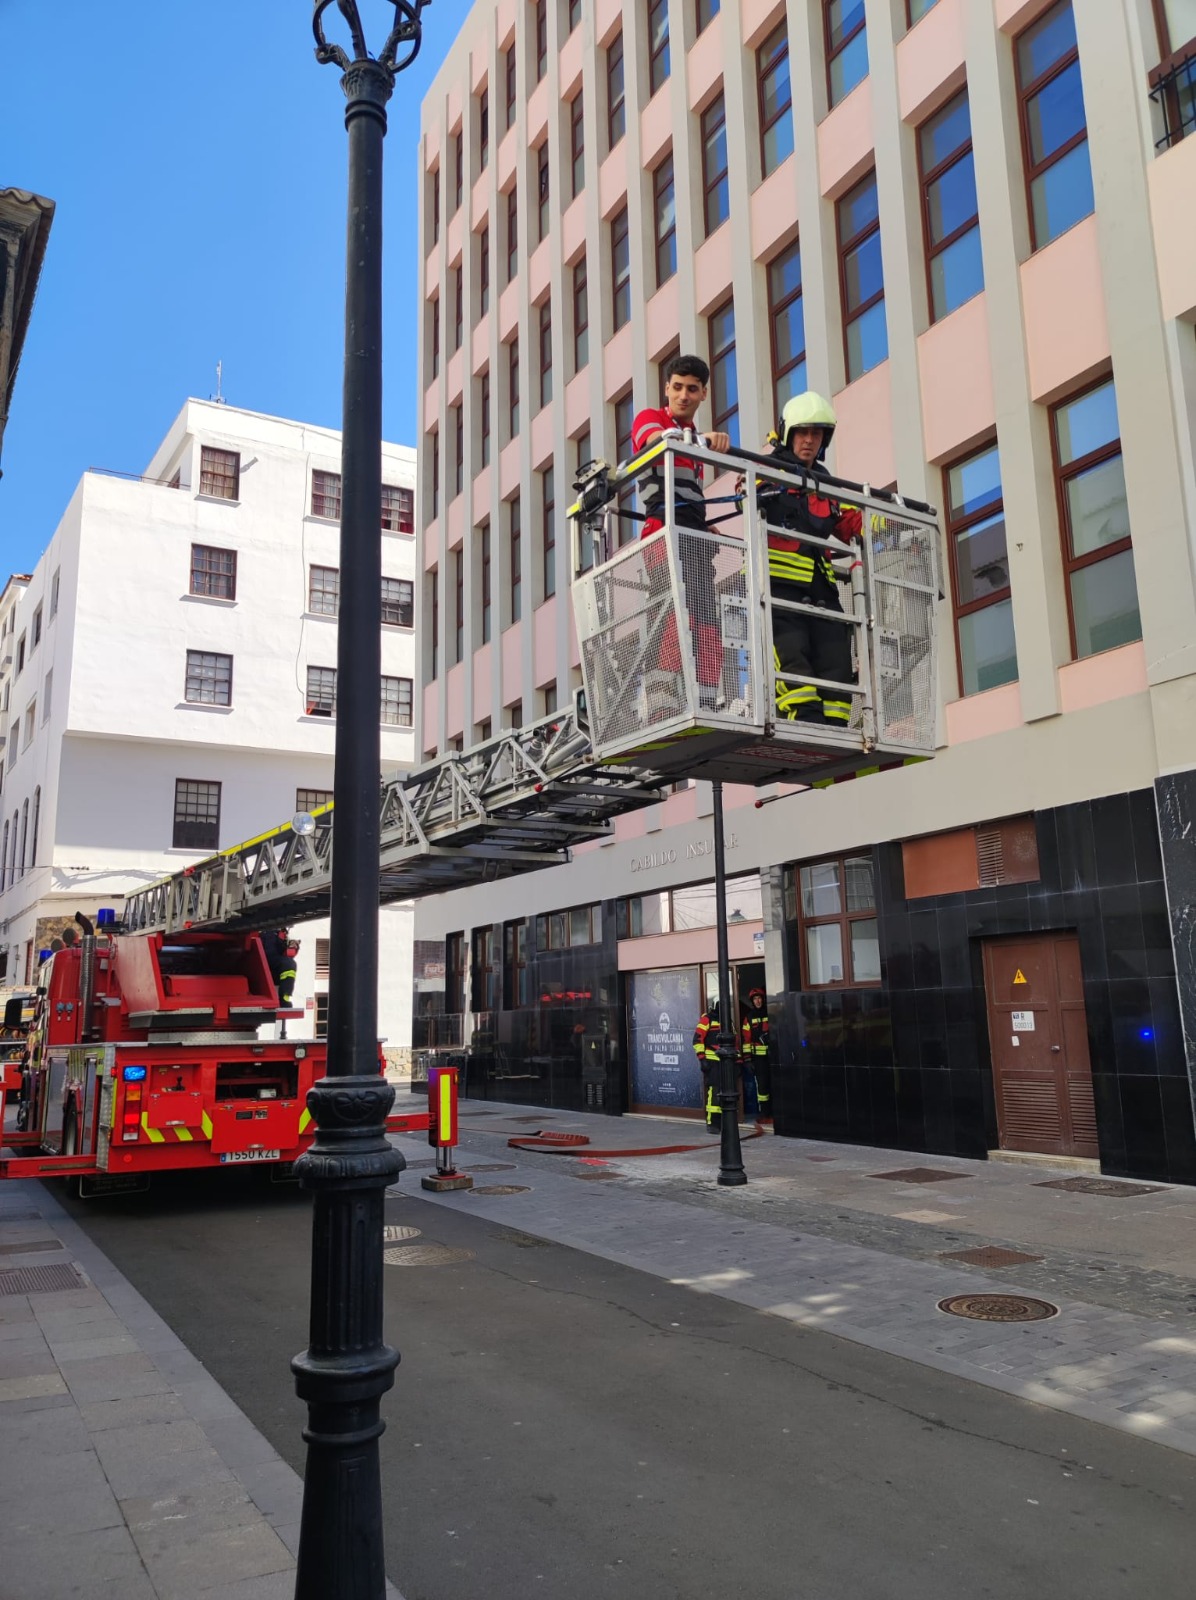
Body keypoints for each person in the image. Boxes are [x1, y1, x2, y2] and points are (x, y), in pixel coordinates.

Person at [631, 356, 732, 713]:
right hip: (662, 530)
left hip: (693, 535)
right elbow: (655, 439)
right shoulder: (651, 418)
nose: (683, 395)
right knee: (669, 611)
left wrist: (703, 524)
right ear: (666, 388)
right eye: (677, 387)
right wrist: (698, 439)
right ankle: (661, 703)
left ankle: (704, 699)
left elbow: (686, 493)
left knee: (706, 617)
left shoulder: (696, 448)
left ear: (704, 393)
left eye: (692, 389)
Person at [757, 392, 862, 727]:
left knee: (837, 663)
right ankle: (804, 723)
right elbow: (750, 501)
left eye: (816, 434)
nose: (809, 440)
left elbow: (852, 524)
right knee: (792, 658)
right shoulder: (766, 470)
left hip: (822, 591)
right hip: (776, 587)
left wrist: (887, 526)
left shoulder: (827, 483)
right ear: (788, 434)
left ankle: (835, 730)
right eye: (803, 433)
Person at [692, 998, 739, 1133]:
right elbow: (697, 1039)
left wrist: (739, 1061)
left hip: (727, 1062)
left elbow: (734, 1042)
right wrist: (702, 1059)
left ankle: (725, 1122)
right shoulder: (707, 1019)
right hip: (712, 1062)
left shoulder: (728, 1022)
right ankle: (713, 1123)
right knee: (714, 1091)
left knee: (727, 1091)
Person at [740, 987, 771, 1122]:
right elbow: (746, 1040)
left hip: (773, 1056)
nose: (758, 1001)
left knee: (774, 1084)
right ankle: (764, 1113)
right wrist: (747, 1060)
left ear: (763, 999)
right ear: (752, 1001)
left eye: (759, 998)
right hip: (758, 1059)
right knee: (762, 1087)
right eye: (755, 999)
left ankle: (775, 1112)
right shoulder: (749, 1018)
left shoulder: (770, 1013)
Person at [265, 928, 298, 1008]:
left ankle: (284, 998)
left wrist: (292, 945)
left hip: (273, 969)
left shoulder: (279, 933)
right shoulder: (266, 932)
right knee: (289, 964)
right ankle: (283, 999)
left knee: (289, 964)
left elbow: (287, 953)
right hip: (262, 962)